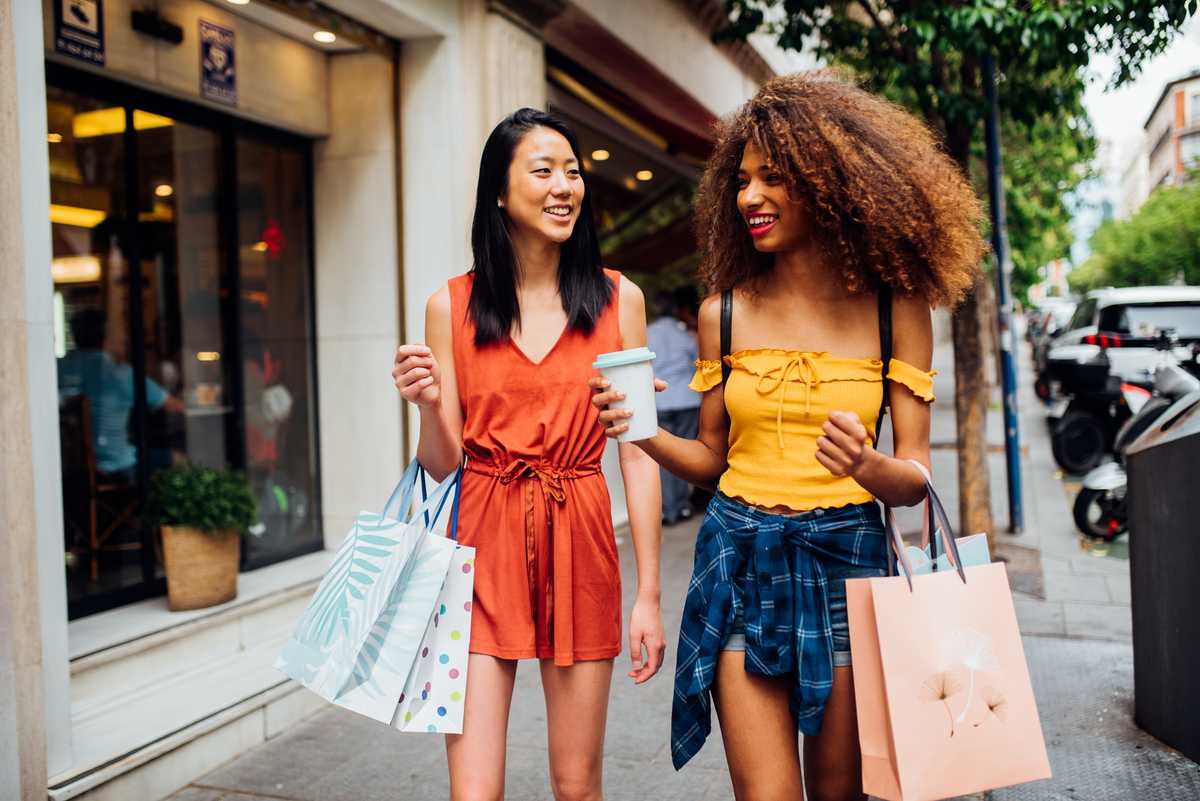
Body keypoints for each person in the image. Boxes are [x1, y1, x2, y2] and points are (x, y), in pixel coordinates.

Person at [591, 72, 984, 801]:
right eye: (742, 180)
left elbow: (915, 479)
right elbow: (712, 459)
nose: (750, 197)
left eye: (774, 177)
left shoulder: (897, 308)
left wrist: (868, 464)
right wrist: (640, 432)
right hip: (739, 558)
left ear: (830, 182)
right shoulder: (723, 314)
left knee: (838, 792)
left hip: (850, 564)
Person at [392, 108, 666, 801]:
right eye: (542, 171)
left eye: (572, 171)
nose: (563, 185)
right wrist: (427, 404)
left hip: (582, 539)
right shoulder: (449, 306)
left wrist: (651, 596)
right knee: (474, 791)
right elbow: (442, 464)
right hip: (477, 554)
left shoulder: (616, 299)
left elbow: (637, 452)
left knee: (577, 785)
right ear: (499, 194)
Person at [58, 308, 183, 482]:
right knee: (179, 459)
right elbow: (173, 406)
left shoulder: (57, 369)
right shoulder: (118, 373)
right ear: (106, 337)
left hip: (68, 469)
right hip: (115, 466)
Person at [646, 286, 701, 525]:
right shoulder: (685, 334)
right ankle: (683, 505)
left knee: (664, 457)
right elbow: (698, 363)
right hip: (687, 400)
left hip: (658, 400)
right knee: (684, 454)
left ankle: (669, 509)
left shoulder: (646, 332)